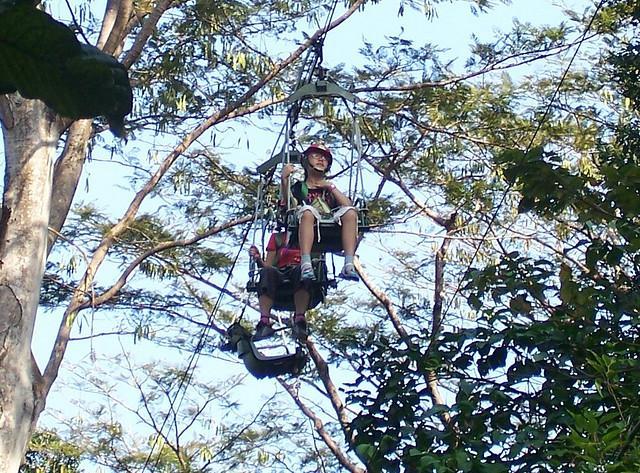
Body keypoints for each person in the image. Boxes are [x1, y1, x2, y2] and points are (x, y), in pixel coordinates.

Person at [281, 142, 359, 281]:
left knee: (350, 213)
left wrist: (331, 187)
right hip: (307, 221)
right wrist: (284, 180)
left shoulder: (329, 189)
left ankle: (348, 264)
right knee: (307, 211)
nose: (321, 159)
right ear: (306, 160)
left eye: (325, 158)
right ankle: (306, 264)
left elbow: (348, 207)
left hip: (330, 225)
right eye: (316, 155)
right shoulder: (299, 188)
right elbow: (290, 206)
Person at [249, 231, 311, 341]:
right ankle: (264, 322)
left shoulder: (310, 233)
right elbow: (268, 266)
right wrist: (258, 259)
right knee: (268, 271)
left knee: (303, 270)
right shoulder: (277, 238)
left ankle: (299, 320)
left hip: (301, 270)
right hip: (280, 273)